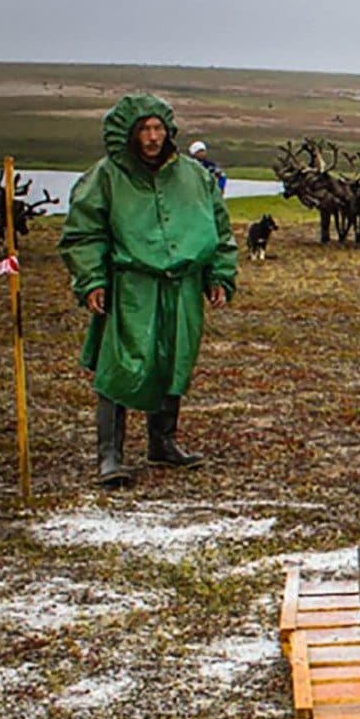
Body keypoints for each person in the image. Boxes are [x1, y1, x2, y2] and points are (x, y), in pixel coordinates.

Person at [60, 95, 237, 487]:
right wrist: (92, 279)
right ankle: (110, 455)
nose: (153, 137)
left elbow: (220, 230)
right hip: (131, 285)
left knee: (174, 360)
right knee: (121, 365)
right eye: (144, 129)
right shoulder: (106, 176)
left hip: (184, 286)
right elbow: (83, 232)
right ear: (129, 133)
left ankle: (163, 442)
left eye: (158, 128)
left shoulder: (194, 175)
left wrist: (219, 275)